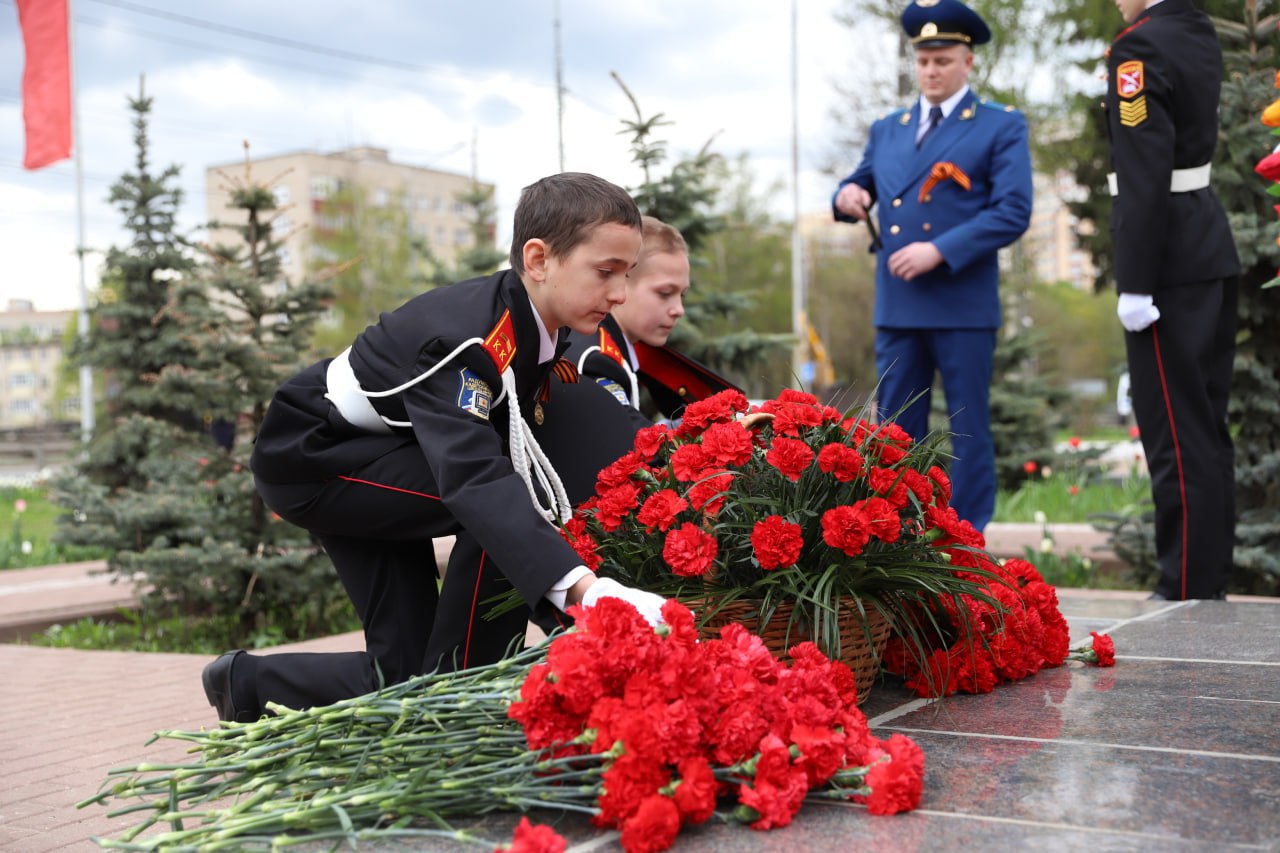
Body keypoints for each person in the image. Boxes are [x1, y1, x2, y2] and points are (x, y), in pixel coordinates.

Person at [201, 172, 669, 722]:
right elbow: (474, 480)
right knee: (497, 503)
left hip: (378, 457)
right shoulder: (468, 339)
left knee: (400, 671)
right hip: (315, 459)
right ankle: (465, 689)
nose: (618, 292)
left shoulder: (540, 324)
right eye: (605, 272)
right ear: (539, 260)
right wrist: (582, 593)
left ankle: (248, 683)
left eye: (627, 274)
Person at [831, 0, 1032, 533]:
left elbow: (1013, 211)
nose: (931, 71)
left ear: (968, 62)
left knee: (967, 427)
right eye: (923, 61)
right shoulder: (889, 129)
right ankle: (898, 534)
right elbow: (859, 181)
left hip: (962, 300)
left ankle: (966, 539)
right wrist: (847, 194)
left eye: (943, 60)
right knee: (895, 429)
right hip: (898, 302)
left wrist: (939, 249)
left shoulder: (998, 126)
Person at [1106, 0, 1239, 600]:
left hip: (1167, 264)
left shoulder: (1139, 46)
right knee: (1205, 429)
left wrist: (1135, 282)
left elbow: (1143, 170)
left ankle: (1183, 589)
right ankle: (1204, 581)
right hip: (1206, 243)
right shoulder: (1197, 32)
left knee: (1176, 437)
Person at [535, 215, 741, 503]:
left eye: (682, 295)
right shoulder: (595, 358)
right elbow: (638, 447)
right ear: (623, 282)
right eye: (665, 293)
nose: (678, 309)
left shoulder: (616, 349)